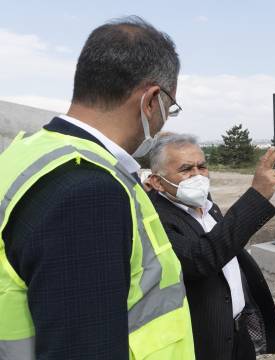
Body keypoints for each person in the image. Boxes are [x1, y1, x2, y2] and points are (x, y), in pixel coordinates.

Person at [0, 17, 195, 359]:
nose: (165, 120)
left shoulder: (28, 154)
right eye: (170, 108)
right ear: (152, 100)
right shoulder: (88, 190)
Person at [146, 133, 275, 360]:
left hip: (239, 335)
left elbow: (226, 247)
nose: (198, 176)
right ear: (158, 181)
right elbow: (200, 258)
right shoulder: (157, 218)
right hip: (205, 343)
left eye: (202, 166)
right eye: (186, 169)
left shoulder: (208, 206)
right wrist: (256, 197)